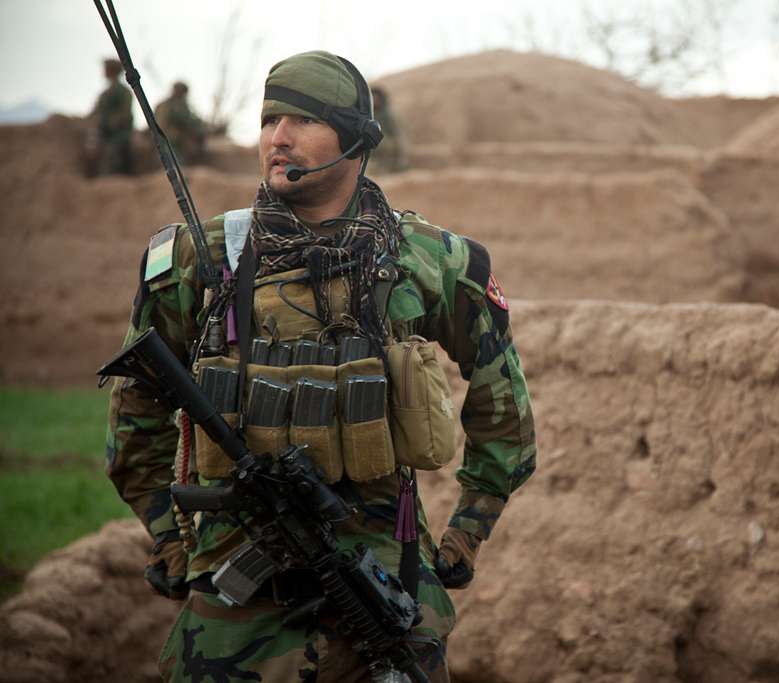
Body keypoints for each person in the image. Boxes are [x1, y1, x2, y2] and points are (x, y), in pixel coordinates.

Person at [105, 50, 536, 682]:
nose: (277, 138)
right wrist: (171, 538)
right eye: (268, 119)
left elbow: (506, 408)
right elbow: (133, 413)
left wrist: (468, 530)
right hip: (233, 613)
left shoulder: (430, 261)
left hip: (379, 596)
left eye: (302, 120)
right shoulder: (201, 262)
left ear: (356, 138)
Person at [91, 58, 134, 175]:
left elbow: (125, 114)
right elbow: (95, 112)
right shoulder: (105, 93)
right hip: (104, 133)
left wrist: (109, 123)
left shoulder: (123, 91)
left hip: (120, 133)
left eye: (106, 68)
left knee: (112, 154)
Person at [155, 81, 206, 164]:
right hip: (170, 139)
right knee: (176, 162)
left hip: (167, 138)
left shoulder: (167, 104)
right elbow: (186, 120)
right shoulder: (174, 105)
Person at [369, 86, 409, 173]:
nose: (375, 101)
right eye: (372, 98)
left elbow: (399, 136)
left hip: (386, 149)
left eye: (376, 98)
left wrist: (402, 158)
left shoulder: (390, 116)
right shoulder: (367, 115)